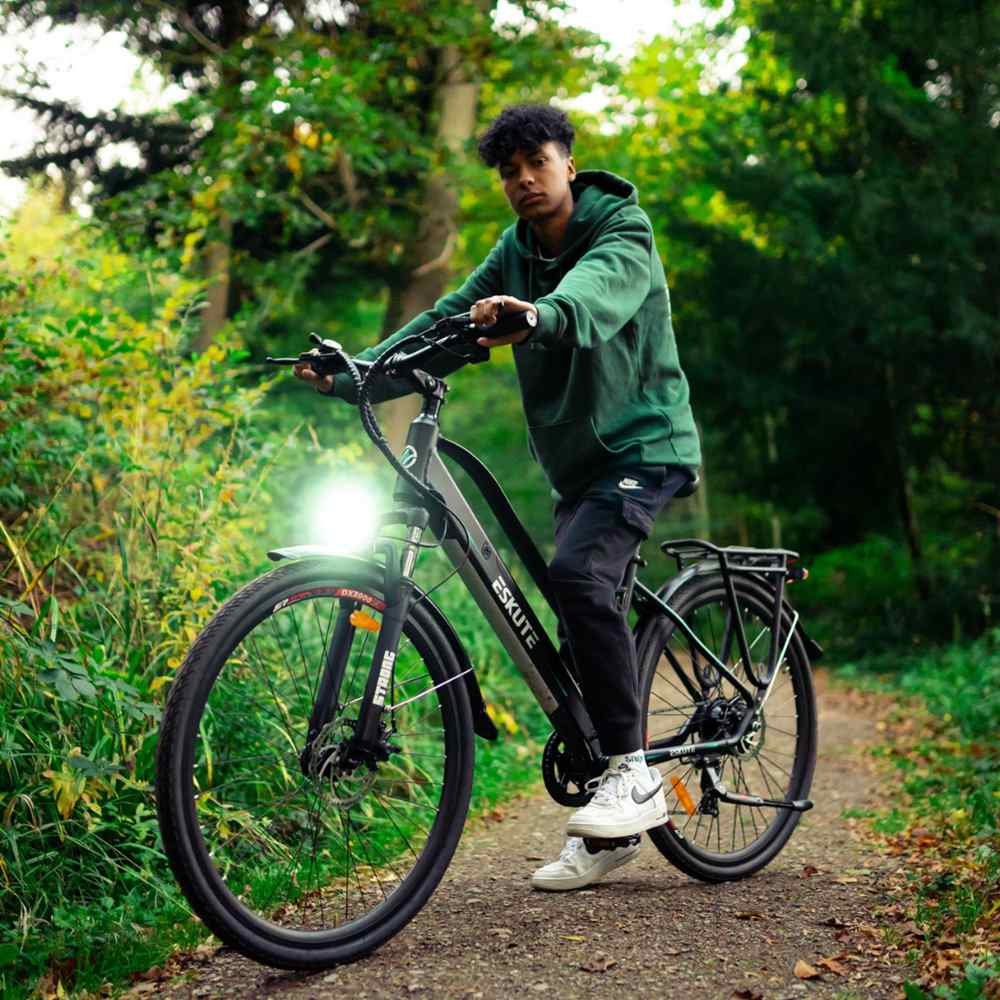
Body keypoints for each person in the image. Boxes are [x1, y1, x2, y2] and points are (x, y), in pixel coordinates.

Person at [295, 103, 701, 891]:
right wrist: (355, 375)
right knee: (577, 611)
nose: (522, 181)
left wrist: (538, 314)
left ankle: (636, 775)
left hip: (646, 447)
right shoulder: (513, 253)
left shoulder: (624, 229)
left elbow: (595, 297)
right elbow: (443, 321)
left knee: (579, 579)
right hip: (580, 467)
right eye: (508, 172)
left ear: (568, 164)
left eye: (536, 164)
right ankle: (611, 816)